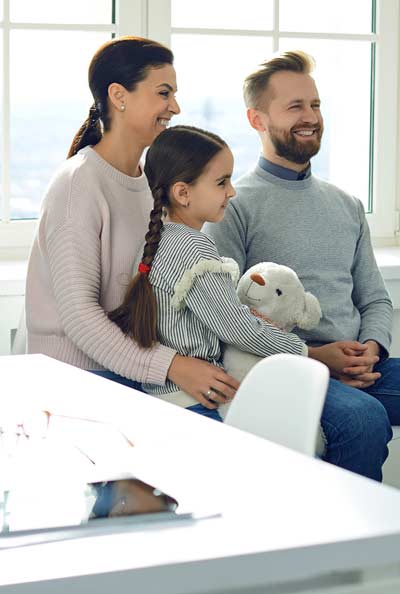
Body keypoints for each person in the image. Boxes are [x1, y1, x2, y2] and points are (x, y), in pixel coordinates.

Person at [205, 50, 400, 516]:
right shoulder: (234, 205)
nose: (310, 118)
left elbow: (374, 296)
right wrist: (316, 356)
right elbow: (228, 316)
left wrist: (372, 346)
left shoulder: (346, 204)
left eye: (315, 106)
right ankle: (347, 560)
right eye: (294, 107)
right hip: (290, 367)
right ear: (257, 118)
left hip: (363, 364)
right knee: (363, 419)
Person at [24, 37, 240, 403]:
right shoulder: (78, 184)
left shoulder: (148, 183)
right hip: (76, 382)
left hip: (132, 373)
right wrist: (173, 366)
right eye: (163, 93)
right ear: (119, 96)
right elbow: (80, 318)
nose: (175, 107)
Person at [107, 125, 309, 420]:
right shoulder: (193, 246)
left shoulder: (162, 239)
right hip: (195, 401)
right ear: (183, 193)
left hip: (164, 396)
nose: (232, 191)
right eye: (221, 182)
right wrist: (306, 352)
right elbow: (238, 330)